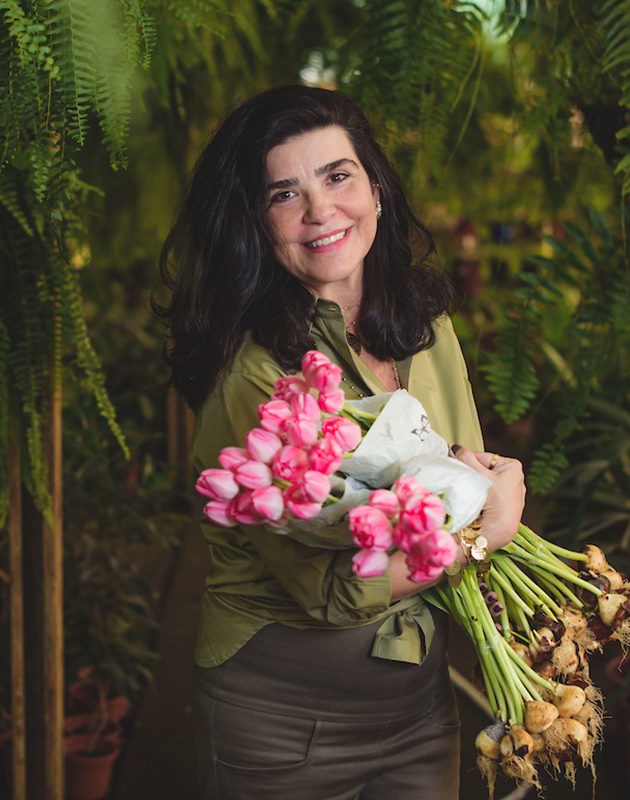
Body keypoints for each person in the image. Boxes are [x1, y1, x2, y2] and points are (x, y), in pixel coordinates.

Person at [158, 86, 526, 800]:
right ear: (257, 227)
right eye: (283, 195)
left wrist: (491, 499)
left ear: (377, 189)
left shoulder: (427, 328)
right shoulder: (257, 378)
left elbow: (465, 479)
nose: (320, 211)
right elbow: (330, 592)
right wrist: (488, 533)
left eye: (337, 176)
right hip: (281, 725)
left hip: (419, 710)